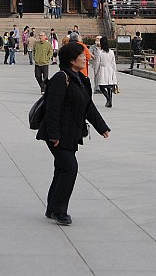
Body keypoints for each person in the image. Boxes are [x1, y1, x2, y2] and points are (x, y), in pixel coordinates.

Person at [36, 42, 111, 226]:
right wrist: (54, 134)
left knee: (62, 169)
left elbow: (88, 106)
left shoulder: (81, 79)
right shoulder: (61, 79)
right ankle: (60, 211)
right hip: (57, 134)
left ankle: (52, 207)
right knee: (70, 168)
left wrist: (102, 127)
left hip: (71, 133)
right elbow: (52, 109)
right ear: (71, 60)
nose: (85, 58)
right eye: (82, 55)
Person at [93, 36, 118, 108]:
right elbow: (113, 62)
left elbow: (97, 62)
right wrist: (114, 70)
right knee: (109, 86)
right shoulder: (111, 52)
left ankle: (108, 98)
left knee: (101, 86)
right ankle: (110, 100)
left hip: (103, 69)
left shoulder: (100, 53)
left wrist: (96, 71)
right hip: (110, 69)